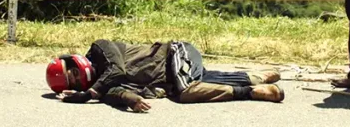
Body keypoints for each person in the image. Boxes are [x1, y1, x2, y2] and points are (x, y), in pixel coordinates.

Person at [47, 39, 285, 112]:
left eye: (74, 74)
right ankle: (256, 78)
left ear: (73, 61)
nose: (78, 78)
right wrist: (132, 101)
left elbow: (116, 71)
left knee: (186, 91)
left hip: (175, 53)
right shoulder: (104, 87)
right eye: (74, 82)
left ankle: (251, 93)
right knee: (199, 79)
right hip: (172, 75)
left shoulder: (101, 49)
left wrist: (88, 94)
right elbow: (117, 93)